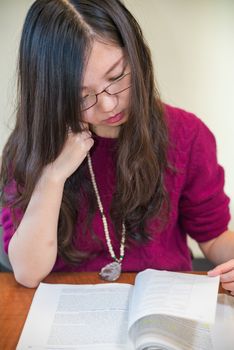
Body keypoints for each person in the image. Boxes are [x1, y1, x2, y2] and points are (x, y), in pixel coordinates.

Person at [0, 0, 234, 290]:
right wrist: (53, 176)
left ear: (136, 57)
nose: (109, 104)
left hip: (162, 305)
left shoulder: (187, 134)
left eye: (117, 76)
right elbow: (27, 273)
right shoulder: (32, 146)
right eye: (82, 96)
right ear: (51, 95)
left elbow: (213, 237)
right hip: (69, 311)